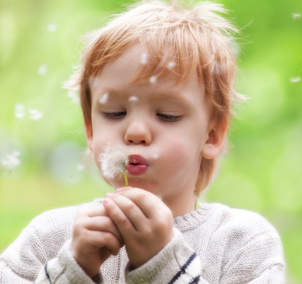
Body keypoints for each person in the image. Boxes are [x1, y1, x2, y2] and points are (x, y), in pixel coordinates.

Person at [0, 0, 285, 283]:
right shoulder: (47, 239)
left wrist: (164, 266)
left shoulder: (242, 243)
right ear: (90, 130)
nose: (135, 132)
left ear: (211, 135)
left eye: (167, 115)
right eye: (114, 113)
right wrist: (71, 271)